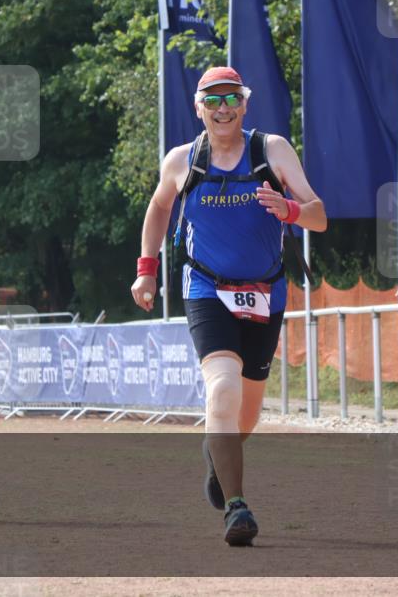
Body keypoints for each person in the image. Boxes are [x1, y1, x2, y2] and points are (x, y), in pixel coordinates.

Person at [131, 67, 327, 546]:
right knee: (222, 389)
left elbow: (319, 216)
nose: (222, 109)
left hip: (266, 292)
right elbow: (159, 209)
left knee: (247, 414)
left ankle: (220, 455)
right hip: (206, 289)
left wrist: (291, 211)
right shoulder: (183, 160)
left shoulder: (272, 151)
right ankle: (237, 509)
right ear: (198, 107)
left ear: (244, 104)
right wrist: (146, 269)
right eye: (212, 101)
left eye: (231, 100)